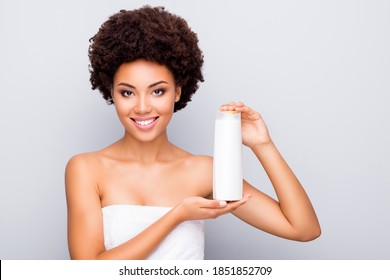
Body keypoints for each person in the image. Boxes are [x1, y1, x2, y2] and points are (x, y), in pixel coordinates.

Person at [65, 6, 321, 260]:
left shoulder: (205, 172)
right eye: (127, 92)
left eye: (157, 91)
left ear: (177, 91)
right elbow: (89, 268)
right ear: (111, 92)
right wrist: (177, 215)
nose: (142, 107)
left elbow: (303, 229)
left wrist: (262, 144)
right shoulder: (86, 169)